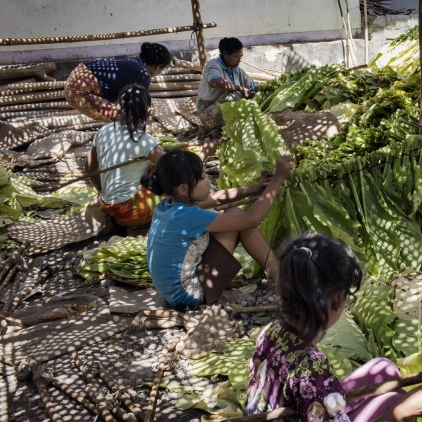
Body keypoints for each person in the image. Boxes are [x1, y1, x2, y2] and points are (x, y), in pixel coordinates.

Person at [243, 233, 422, 422]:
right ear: (336, 302)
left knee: (383, 369)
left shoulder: (272, 332)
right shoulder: (310, 367)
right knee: (396, 405)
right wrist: (403, 410)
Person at [146, 150, 292, 310]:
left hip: (173, 293)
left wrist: (253, 189)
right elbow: (252, 220)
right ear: (183, 189)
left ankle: (270, 274)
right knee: (237, 216)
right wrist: (277, 179)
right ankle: (279, 278)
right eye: (202, 178)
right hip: (189, 297)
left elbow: (216, 198)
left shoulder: (169, 205)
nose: (208, 181)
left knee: (228, 219)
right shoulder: (187, 216)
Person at [84, 84, 165, 228]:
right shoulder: (145, 140)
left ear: (117, 106)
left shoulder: (102, 132)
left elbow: (90, 168)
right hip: (133, 212)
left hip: (108, 206)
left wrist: (103, 192)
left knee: (152, 167)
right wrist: (202, 155)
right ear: (148, 110)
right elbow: (173, 170)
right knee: (171, 182)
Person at [65, 43, 172, 123]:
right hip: (78, 90)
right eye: (162, 69)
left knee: (120, 113)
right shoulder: (142, 73)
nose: (160, 73)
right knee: (124, 119)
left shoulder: (131, 61)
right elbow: (140, 107)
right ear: (159, 66)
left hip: (76, 78)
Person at [196, 37, 259, 130]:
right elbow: (215, 82)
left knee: (253, 96)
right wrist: (240, 88)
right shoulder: (213, 65)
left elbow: (253, 86)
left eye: (241, 56)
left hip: (223, 111)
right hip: (208, 114)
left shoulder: (237, 70)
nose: (239, 60)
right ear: (225, 54)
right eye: (236, 57)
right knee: (235, 96)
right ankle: (229, 131)